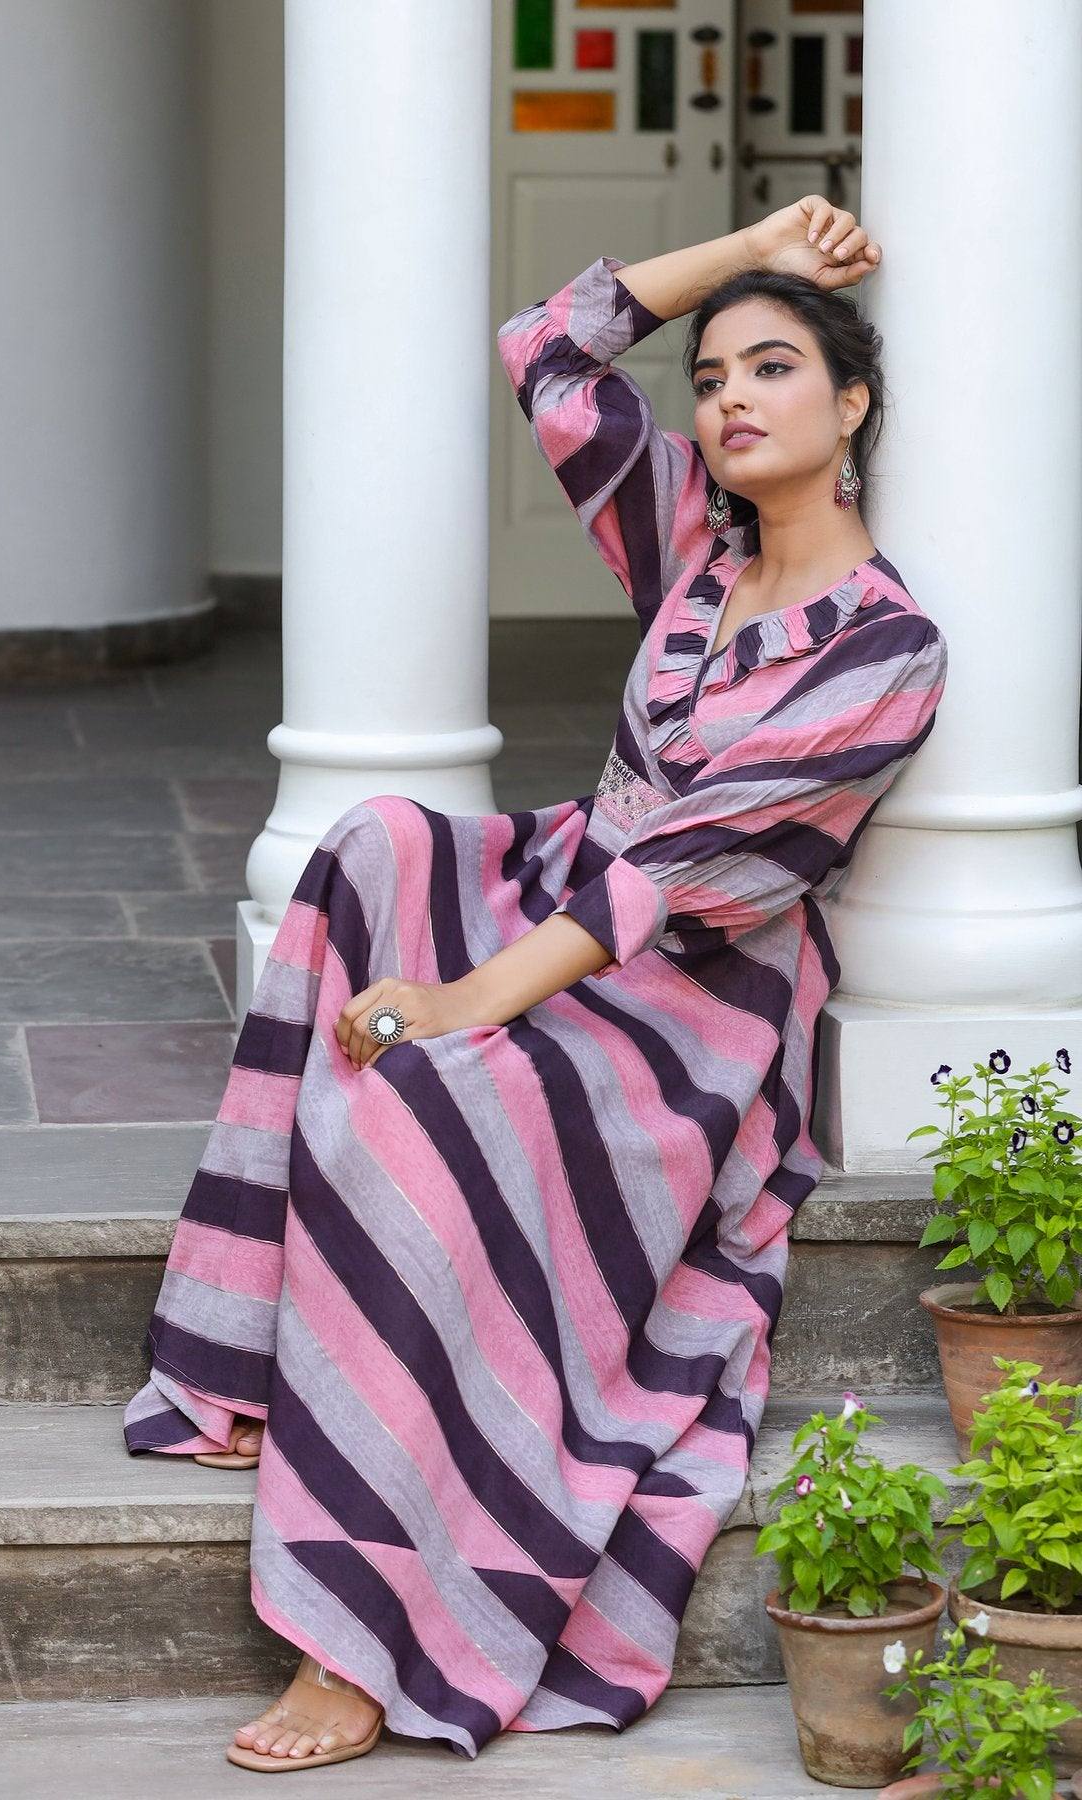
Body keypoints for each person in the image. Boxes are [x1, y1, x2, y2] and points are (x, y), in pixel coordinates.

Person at [123, 192, 948, 1774]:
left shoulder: (886, 646)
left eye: (774, 368)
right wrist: (750, 251)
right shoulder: (695, 546)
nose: (729, 399)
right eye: (712, 377)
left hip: (697, 1000)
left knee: (426, 1106)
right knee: (367, 845)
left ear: (854, 406)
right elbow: (548, 351)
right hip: (566, 884)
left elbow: (687, 873)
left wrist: (466, 1001)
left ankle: (353, 1636)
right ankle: (239, 1355)